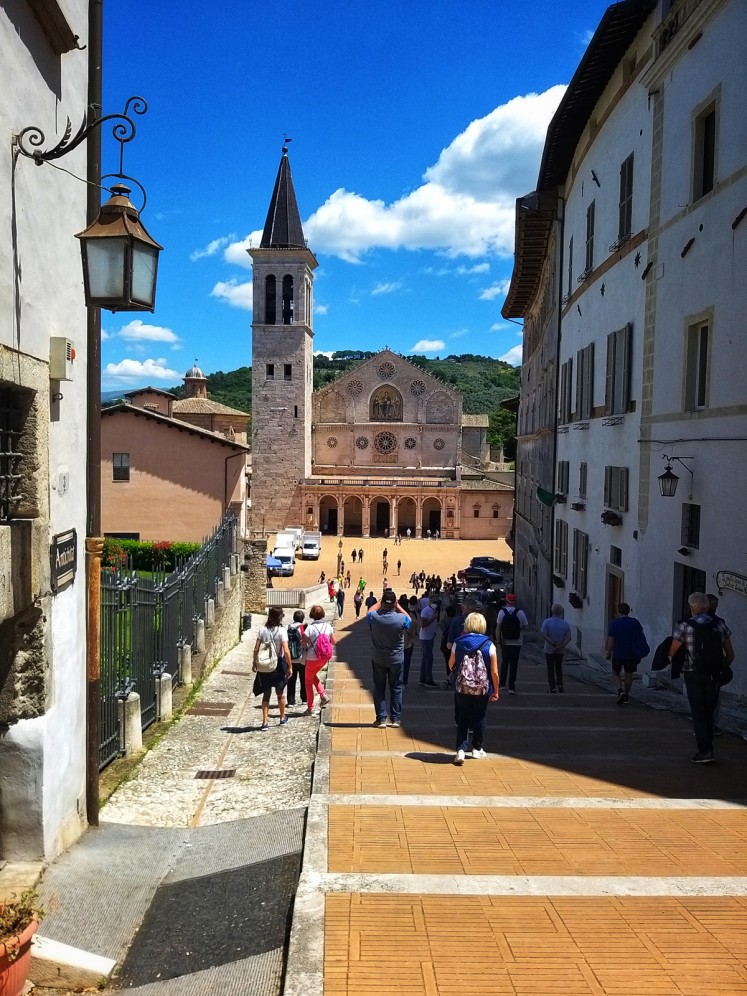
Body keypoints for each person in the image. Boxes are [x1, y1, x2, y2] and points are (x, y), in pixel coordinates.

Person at [668, 591, 735, 763]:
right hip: (714, 674)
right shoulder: (720, 625)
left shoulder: (685, 626)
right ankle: (708, 747)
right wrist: (720, 666)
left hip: (693, 672)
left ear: (692, 607)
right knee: (709, 711)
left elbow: (672, 650)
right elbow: (730, 654)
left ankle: (704, 751)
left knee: (697, 711)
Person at [447, 612, 499, 764]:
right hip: (483, 687)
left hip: (462, 686)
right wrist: (495, 690)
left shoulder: (458, 642)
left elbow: (451, 665)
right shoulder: (489, 645)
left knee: (463, 717)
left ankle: (461, 749)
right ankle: (477, 748)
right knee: (480, 716)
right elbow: (494, 672)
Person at [367, 588, 411, 727]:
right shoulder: (401, 619)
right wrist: (398, 606)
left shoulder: (374, 617)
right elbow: (410, 620)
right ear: (394, 603)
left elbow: (368, 612)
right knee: (396, 688)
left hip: (378, 658)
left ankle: (381, 718)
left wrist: (380, 602)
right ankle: (396, 718)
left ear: (382, 603)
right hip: (396, 659)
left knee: (379, 688)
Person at [253, 606, 292, 730]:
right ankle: (282, 718)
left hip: (265, 665)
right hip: (279, 664)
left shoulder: (262, 630)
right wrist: (290, 666)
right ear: (280, 617)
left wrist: (255, 662)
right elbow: (285, 650)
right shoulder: (282, 631)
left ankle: (265, 722)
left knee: (266, 693)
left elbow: (256, 648)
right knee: (280, 693)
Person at [605, 602, 650, 704]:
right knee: (629, 674)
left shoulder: (614, 624)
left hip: (619, 652)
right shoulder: (635, 622)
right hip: (632, 653)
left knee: (615, 672)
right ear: (628, 611)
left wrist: (608, 652)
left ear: (618, 611)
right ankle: (626, 694)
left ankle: (620, 691)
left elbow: (611, 640)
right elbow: (641, 636)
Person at [302, 605, 336, 715]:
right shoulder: (328, 626)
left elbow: (304, 642)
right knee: (312, 675)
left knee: (308, 682)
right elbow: (334, 641)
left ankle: (311, 708)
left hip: (312, 657)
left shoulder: (310, 628)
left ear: (312, 615)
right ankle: (322, 694)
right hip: (324, 657)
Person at [496, 594, 528, 694]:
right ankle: (511, 687)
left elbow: (498, 628)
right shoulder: (520, 612)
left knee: (504, 663)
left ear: (506, 601)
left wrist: (498, 641)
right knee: (514, 664)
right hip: (517, 642)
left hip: (505, 641)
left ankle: (502, 684)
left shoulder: (502, 612)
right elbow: (526, 627)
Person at [541, 604, 572, 693]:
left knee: (550, 668)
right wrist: (560, 646)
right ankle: (560, 685)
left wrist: (552, 643)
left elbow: (543, 635)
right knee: (559, 667)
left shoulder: (547, 622)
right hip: (560, 650)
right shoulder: (565, 623)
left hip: (549, 649)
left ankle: (552, 687)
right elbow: (569, 638)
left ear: (552, 610)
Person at [286, 610, 307, 706]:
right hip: (301, 658)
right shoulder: (302, 628)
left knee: (291, 680)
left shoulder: (287, 627)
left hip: (290, 658)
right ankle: (304, 699)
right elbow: (305, 641)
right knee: (303, 679)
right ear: (302, 618)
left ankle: (291, 701)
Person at [418, 598, 439, 686]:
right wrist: (433, 618)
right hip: (425, 638)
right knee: (429, 659)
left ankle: (423, 678)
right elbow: (423, 625)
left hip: (430, 636)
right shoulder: (425, 611)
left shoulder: (434, 610)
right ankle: (428, 679)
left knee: (425, 658)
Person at [399, 594, 416, 684]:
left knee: (399, 664)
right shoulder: (411, 617)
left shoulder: (398, 617)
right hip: (408, 644)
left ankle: (400, 681)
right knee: (406, 664)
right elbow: (415, 625)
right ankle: (404, 681)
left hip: (401, 644)